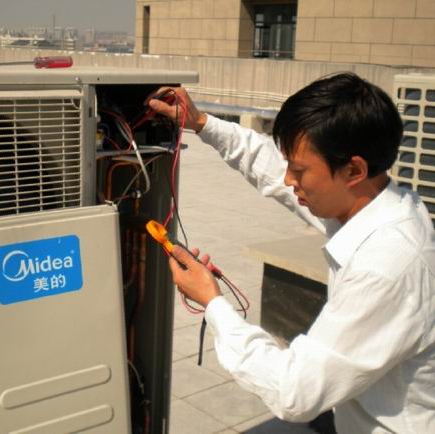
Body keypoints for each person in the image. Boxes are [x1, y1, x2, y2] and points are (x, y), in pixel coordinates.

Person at [149, 73, 435, 434]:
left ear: (354, 170)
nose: (288, 180)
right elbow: (269, 165)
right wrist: (202, 123)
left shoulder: (387, 266)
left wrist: (213, 303)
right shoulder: (374, 202)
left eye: (298, 171)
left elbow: (294, 392)